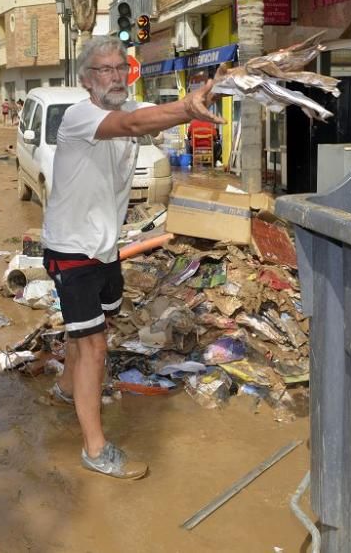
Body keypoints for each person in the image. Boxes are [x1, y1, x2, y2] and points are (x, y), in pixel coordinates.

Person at [41, 37, 221, 479]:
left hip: (106, 249)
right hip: (71, 249)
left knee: (87, 335)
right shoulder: (81, 115)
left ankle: (67, 389)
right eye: (103, 69)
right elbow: (134, 124)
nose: (115, 76)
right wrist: (185, 108)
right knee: (94, 345)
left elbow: (141, 122)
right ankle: (95, 449)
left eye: (121, 67)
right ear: (85, 80)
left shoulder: (125, 110)